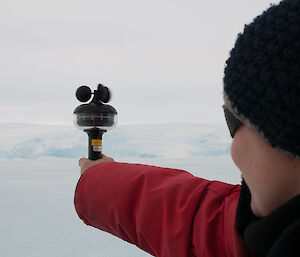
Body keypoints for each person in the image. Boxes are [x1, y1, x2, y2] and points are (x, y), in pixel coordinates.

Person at [74, 1, 300, 256]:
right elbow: (201, 226)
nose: (234, 149)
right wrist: (99, 179)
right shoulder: (267, 234)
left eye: (235, 120)